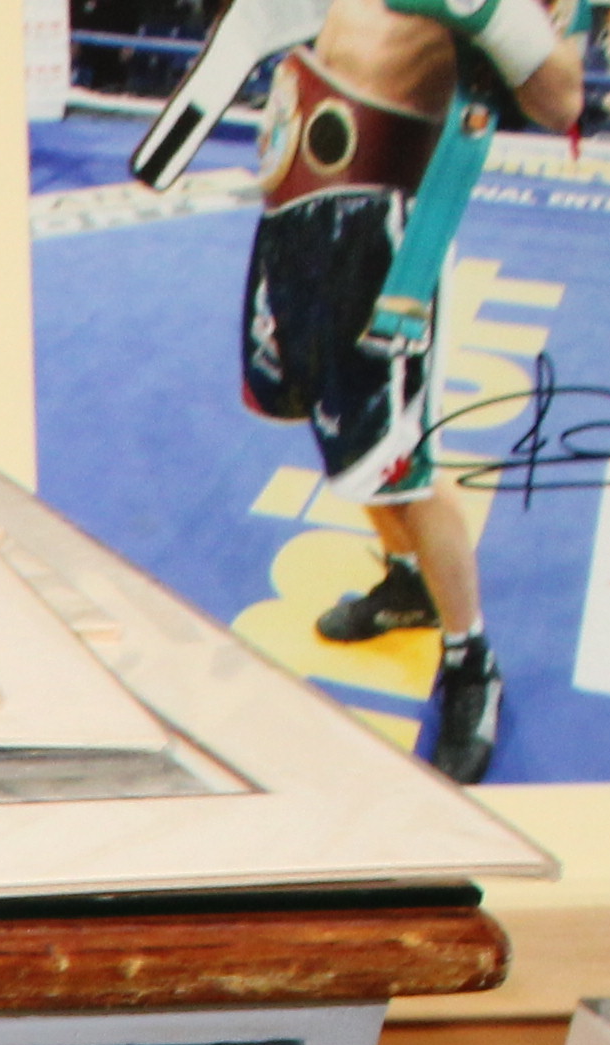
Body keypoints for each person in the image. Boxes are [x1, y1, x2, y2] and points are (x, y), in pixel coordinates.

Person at [247, 0, 584, 782]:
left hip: (384, 224)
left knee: (404, 461)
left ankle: (471, 662)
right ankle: (407, 583)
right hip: (304, 199)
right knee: (349, 436)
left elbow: (562, 96)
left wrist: (489, 15)